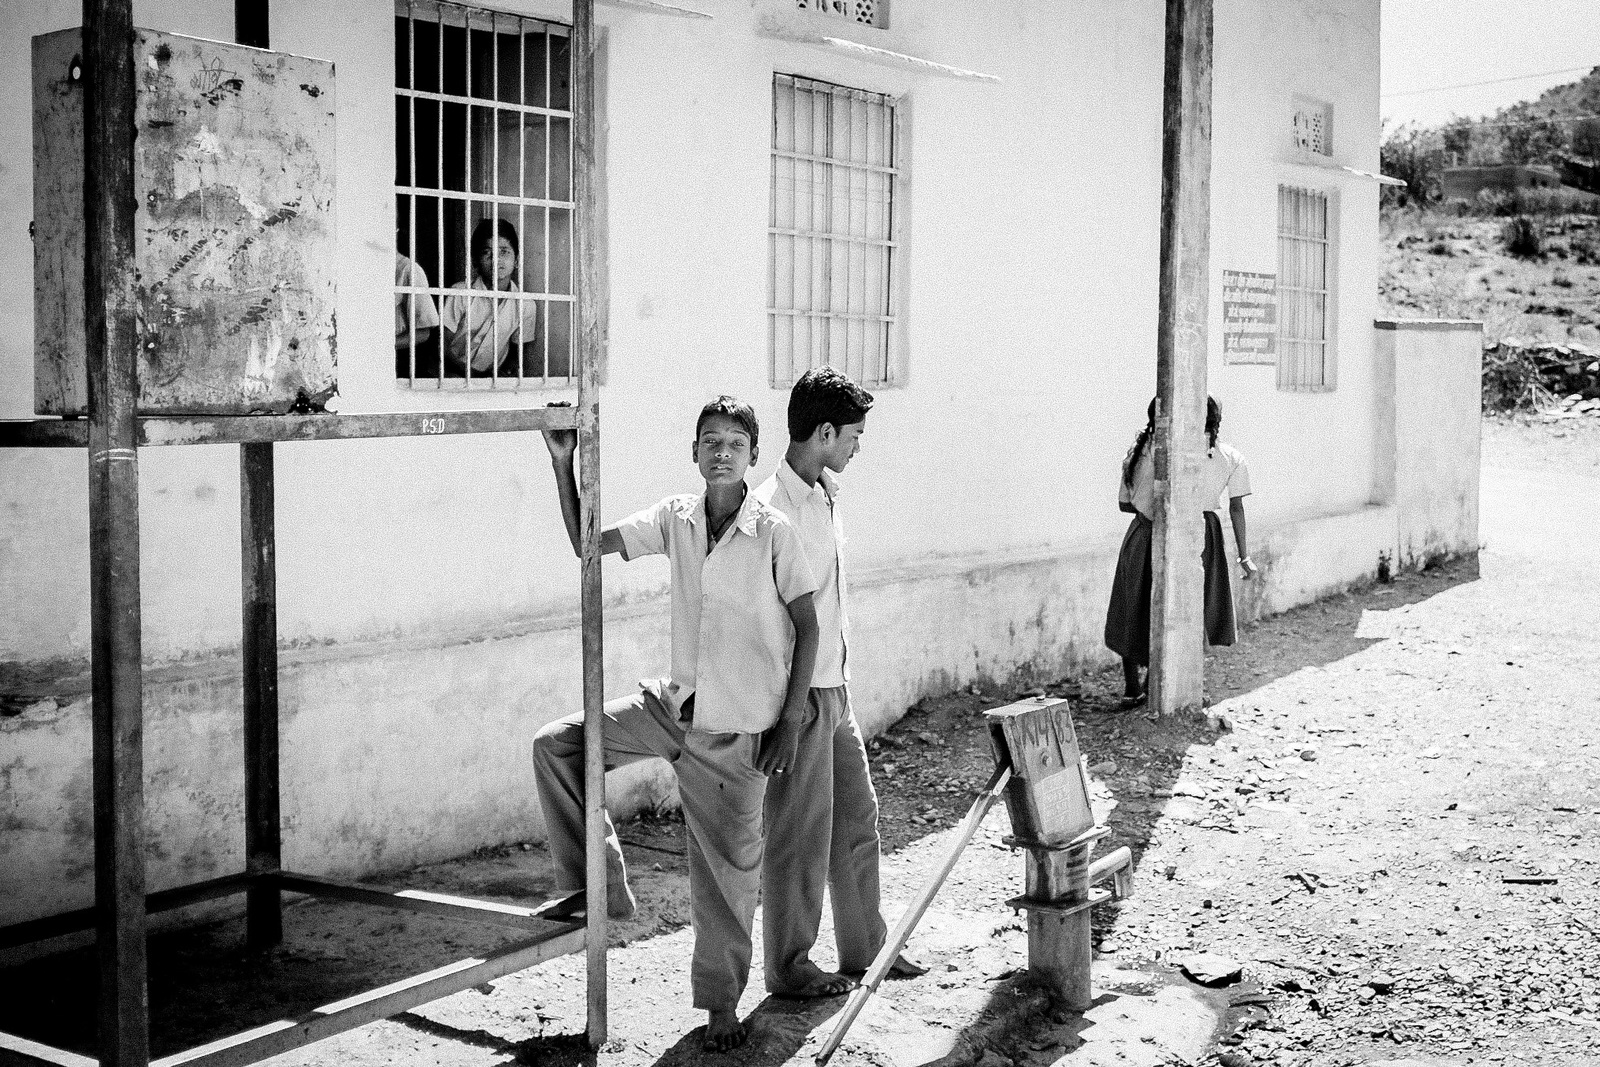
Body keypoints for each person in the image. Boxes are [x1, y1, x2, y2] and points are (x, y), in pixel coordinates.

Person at [533, 396, 819, 1052]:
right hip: (673, 709)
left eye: (735, 444)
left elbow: (809, 625)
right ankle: (594, 886)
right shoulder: (676, 519)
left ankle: (721, 1005)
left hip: (737, 732)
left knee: (724, 879)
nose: (722, 452)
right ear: (694, 453)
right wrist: (562, 464)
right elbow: (586, 544)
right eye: (710, 441)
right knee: (557, 747)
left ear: (752, 456)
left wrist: (791, 721)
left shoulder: (775, 532)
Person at [752, 367, 926, 999]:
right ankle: (790, 966)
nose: (858, 446)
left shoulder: (824, 491)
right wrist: (789, 712)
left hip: (836, 689)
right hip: (797, 699)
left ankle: (867, 949)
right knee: (798, 836)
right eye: (853, 434)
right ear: (823, 432)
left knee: (857, 821)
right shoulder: (771, 511)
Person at [1103, 396, 1257, 705]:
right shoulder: (1228, 457)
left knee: (1132, 606)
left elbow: (1123, 504)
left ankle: (1134, 687)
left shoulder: (1139, 453)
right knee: (1193, 608)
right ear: (1215, 423)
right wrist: (1244, 555)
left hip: (1145, 531)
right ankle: (1180, 684)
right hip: (1202, 535)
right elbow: (1236, 508)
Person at [441, 217, 540, 377]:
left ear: (516, 260)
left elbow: (518, 353)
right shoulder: (460, 293)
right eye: (487, 253)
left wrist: (503, 373)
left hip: (490, 381)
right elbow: (442, 347)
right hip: (451, 374)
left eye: (504, 252)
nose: (496, 260)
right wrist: (472, 375)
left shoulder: (526, 304)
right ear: (475, 261)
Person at [394, 251, 440, 375]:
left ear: (395, 231)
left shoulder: (408, 269)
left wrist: (378, 346)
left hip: (398, 360)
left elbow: (423, 332)